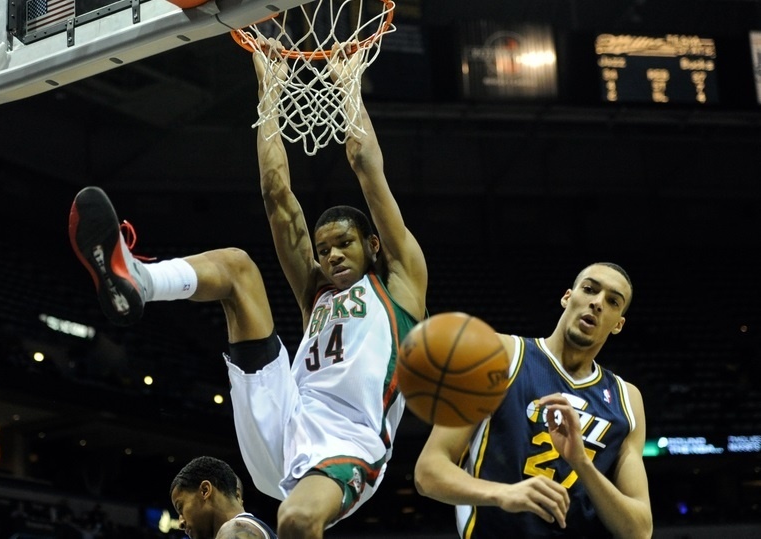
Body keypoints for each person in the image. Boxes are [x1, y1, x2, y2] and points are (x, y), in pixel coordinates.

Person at [68, 41, 427, 539]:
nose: (330, 257)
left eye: (343, 245)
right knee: (238, 268)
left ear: (371, 244)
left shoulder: (402, 285)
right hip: (288, 412)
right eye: (322, 251)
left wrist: (349, 89)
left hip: (348, 439)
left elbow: (367, 168)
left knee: (297, 521)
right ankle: (139, 280)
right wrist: (268, 94)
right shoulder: (316, 295)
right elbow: (276, 195)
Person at [413, 262, 653, 539]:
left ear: (618, 324)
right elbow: (428, 471)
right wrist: (503, 494)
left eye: (612, 301)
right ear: (567, 297)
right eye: (589, 289)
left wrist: (581, 463)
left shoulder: (627, 398)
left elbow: (639, 530)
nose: (597, 303)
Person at [170, 456, 277, 539]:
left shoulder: (235, 529)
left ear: (205, 491)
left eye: (180, 508)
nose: (181, 523)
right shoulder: (254, 528)